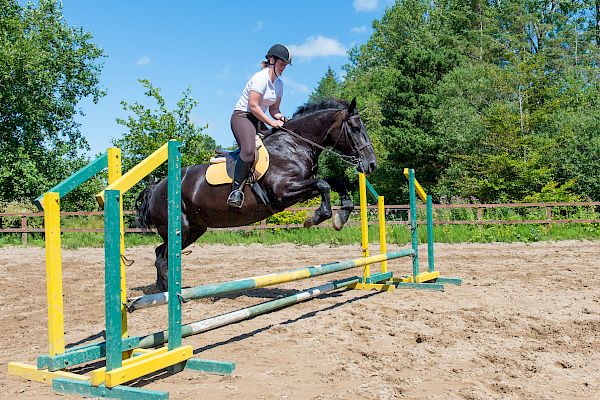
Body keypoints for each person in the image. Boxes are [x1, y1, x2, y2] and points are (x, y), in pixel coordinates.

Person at [227, 44, 292, 208]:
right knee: (248, 152)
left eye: (285, 65)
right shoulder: (260, 78)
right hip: (242, 117)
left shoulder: (279, 84)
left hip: (258, 120)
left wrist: (283, 119)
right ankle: (236, 191)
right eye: (282, 64)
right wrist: (271, 122)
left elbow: (274, 109)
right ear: (272, 60)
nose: (284, 67)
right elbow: (254, 106)